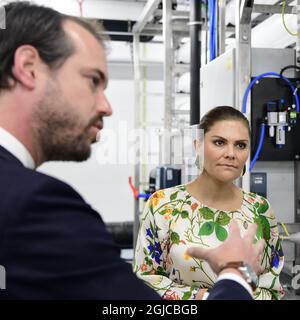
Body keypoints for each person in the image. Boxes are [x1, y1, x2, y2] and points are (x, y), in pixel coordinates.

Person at [0, 1, 263, 300]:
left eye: (240, 144)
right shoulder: (34, 206)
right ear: (28, 68)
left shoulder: (258, 210)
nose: (106, 106)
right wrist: (237, 272)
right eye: (93, 81)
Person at [134, 106, 284, 300]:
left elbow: (272, 289)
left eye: (240, 145)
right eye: (219, 142)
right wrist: (206, 297)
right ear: (198, 145)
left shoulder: (260, 209)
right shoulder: (163, 205)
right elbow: (145, 280)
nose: (231, 153)